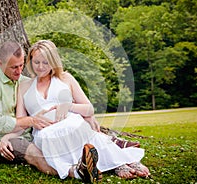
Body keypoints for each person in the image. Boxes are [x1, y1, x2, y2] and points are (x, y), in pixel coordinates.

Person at [16, 40, 150, 181]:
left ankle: (120, 162)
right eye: (36, 62)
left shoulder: (65, 78)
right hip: (45, 133)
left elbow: (89, 109)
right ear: (30, 61)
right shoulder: (24, 86)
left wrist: (68, 105)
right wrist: (33, 121)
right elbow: (19, 120)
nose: (41, 67)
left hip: (70, 122)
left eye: (46, 62)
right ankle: (89, 166)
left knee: (76, 128)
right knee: (51, 137)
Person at [0, 41, 57, 175]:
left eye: (21, 65)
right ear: (0, 63)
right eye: (13, 67)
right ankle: (74, 173)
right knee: (32, 152)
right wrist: (30, 121)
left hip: (24, 134)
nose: (19, 71)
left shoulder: (24, 81)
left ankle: (83, 164)